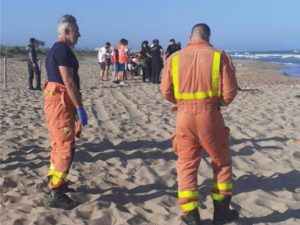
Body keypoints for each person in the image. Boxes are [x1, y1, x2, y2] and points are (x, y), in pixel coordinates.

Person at [161, 23, 239, 225]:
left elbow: (165, 91)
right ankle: (221, 213)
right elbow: (230, 93)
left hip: (184, 117)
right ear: (209, 36)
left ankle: (190, 214)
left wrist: (183, 103)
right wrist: (217, 103)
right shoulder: (219, 55)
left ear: (190, 37)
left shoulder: (174, 58)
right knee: (221, 163)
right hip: (210, 115)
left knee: (186, 164)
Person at [44, 14, 88, 210]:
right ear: (67, 31)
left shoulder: (56, 49)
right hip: (60, 104)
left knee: (58, 145)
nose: (80, 35)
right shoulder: (62, 50)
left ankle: (54, 180)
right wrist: (79, 107)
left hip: (58, 103)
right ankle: (57, 192)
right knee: (65, 147)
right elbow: (68, 81)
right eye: (77, 31)